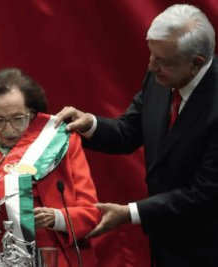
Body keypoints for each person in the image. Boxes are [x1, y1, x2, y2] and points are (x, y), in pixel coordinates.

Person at [55, 4, 218, 267]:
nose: (151, 66)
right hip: (164, 241)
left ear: (196, 63)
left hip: (207, 245)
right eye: (151, 55)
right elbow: (128, 131)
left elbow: (203, 193)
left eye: (161, 60)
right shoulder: (161, 76)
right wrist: (88, 124)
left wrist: (129, 213)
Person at [0, 68, 101, 267]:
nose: (9, 129)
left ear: (32, 113)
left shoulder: (62, 145)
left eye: (18, 119)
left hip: (55, 255)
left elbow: (91, 212)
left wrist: (57, 218)